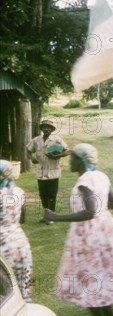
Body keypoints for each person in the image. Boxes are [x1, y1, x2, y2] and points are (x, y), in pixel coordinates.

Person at [44, 143, 113, 316]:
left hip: (90, 237)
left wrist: (57, 217)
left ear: (82, 160)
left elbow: (90, 211)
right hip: (107, 231)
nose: (70, 160)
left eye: (73, 157)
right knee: (96, 278)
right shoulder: (101, 176)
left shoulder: (85, 181)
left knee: (87, 279)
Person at [0, 160, 32, 301]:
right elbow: (23, 219)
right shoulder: (19, 193)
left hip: (2, 248)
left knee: (7, 295)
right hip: (20, 243)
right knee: (24, 285)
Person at [26, 118, 68, 224]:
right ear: (41, 128)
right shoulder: (36, 140)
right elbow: (28, 151)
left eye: (48, 127)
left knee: (52, 195)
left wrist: (56, 156)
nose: (46, 129)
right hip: (41, 172)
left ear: (52, 129)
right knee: (43, 195)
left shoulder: (57, 139)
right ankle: (46, 216)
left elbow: (67, 151)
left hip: (53, 172)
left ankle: (51, 217)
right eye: (44, 127)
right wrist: (32, 158)